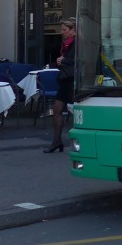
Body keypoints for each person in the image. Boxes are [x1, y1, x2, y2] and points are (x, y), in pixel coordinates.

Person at [45, 17, 76, 153]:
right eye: (62, 29)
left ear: (73, 30)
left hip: (72, 80)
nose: (62, 32)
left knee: (72, 110)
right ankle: (57, 141)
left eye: (65, 30)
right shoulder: (66, 44)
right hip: (65, 79)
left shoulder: (77, 44)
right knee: (57, 109)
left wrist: (62, 61)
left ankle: (63, 141)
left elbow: (76, 61)